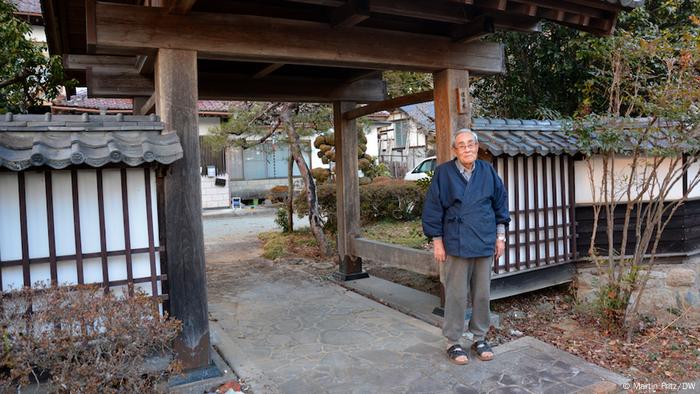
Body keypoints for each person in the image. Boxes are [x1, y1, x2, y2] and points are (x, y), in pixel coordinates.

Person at [421, 129, 510, 365]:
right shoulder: (444, 173)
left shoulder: (487, 171)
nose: (467, 149)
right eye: (462, 145)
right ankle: (453, 341)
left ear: (477, 146)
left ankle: (480, 338)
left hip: (483, 239)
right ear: (455, 150)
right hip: (456, 242)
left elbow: (500, 205)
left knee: (482, 294)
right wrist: (437, 242)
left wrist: (500, 238)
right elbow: (433, 209)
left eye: (471, 144)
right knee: (456, 295)